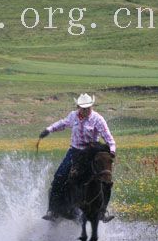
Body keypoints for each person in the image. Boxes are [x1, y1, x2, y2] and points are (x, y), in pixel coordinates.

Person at [39, 93, 116, 222]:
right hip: (74, 152)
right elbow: (62, 124)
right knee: (59, 176)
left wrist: (112, 150)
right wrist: (49, 130)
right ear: (78, 106)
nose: (86, 110)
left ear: (92, 106)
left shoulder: (98, 119)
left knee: (106, 180)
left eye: (88, 107)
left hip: (91, 153)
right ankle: (53, 210)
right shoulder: (73, 116)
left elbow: (108, 137)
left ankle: (103, 212)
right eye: (83, 107)